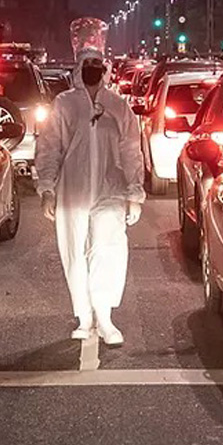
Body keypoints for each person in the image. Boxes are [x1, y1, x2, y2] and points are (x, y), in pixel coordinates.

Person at [35, 45, 145, 346]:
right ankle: (84, 317)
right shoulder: (64, 104)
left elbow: (132, 151)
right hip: (72, 190)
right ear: (78, 68)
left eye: (98, 63)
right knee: (74, 251)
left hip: (111, 189)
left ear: (105, 68)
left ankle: (105, 316)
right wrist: (47, 189)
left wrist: (134, 193)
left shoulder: (118, 106)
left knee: (108, 250)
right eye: (87, 63)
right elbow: (49, 147)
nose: (93, 67)